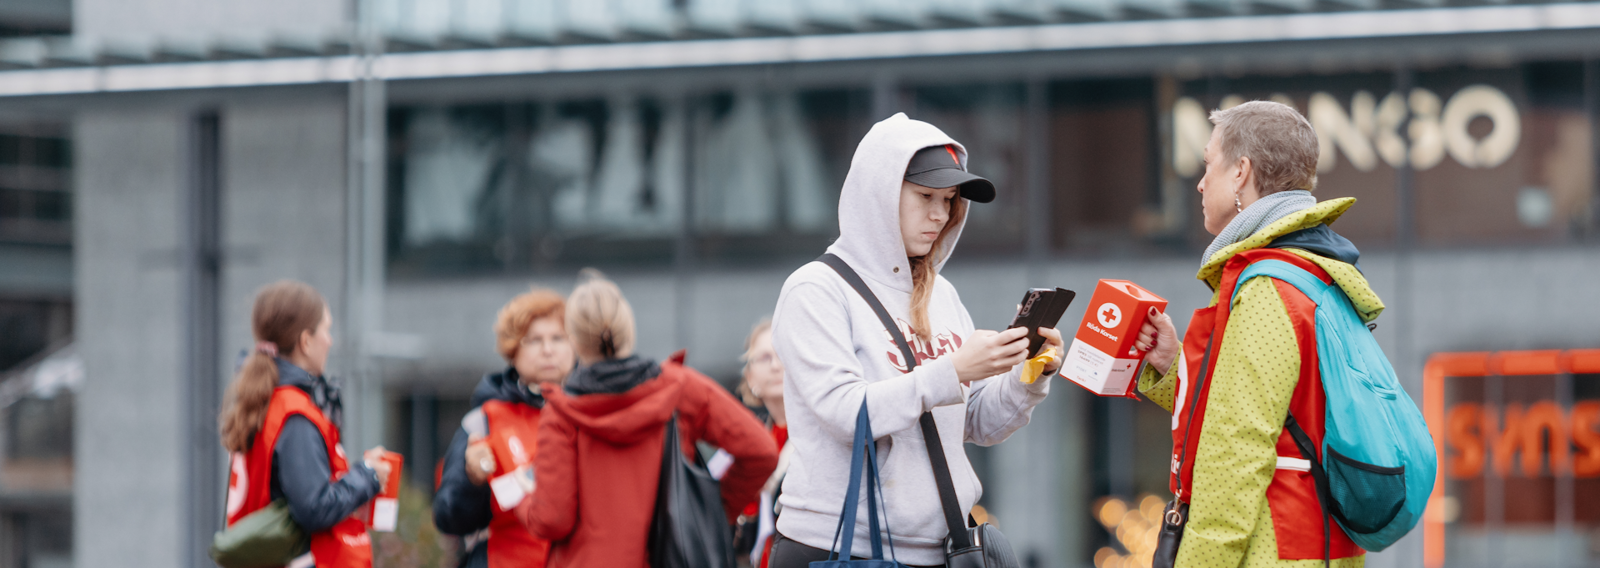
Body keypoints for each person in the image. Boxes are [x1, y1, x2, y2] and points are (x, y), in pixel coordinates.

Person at [767, 113, 1064, 568]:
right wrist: (953, 370)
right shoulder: (816, 288)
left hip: (937, 549)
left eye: (949, 200)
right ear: (879, 194)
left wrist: (1028, 375)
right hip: (838, 548)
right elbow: (844, 413)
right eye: (925, 196)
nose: (940, 214)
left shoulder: (941, 293)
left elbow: (978, 422)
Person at [1132, 100, 1377, 568]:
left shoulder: (1268, 288)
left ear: (1241, 171)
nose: (1201, 183)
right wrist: (1171, 366)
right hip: (1320, 547)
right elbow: (1289, 414)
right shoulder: (1318, 273)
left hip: (1273, 550)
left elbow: (1234, 458)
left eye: (1208, 164)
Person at [516, 270, 779, 568]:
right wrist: (713, 509)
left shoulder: (561, 413)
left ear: (574, 340)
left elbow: (552, 519)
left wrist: (521, 503)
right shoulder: (680, 388)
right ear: (628, 327)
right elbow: (761, 451)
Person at [218, 280, 392, 568]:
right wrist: (368, 475)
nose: (330, 340)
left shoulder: (263, 401)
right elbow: (314, 507)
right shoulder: (293, 413)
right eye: (326, 329)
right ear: (305, 341)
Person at [433, 287, 577, 568]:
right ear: (513, 350)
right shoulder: (483, 421)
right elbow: (447, 517)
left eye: (558, 338)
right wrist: (472, 480)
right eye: (534, 340)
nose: (548, 350)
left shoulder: (594, 415)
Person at [730, 318, 791, 568]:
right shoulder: (748, 443)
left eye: (783, 355)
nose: (776, 365)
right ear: (750, 377)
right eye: (765, 357)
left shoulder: (821, 433)